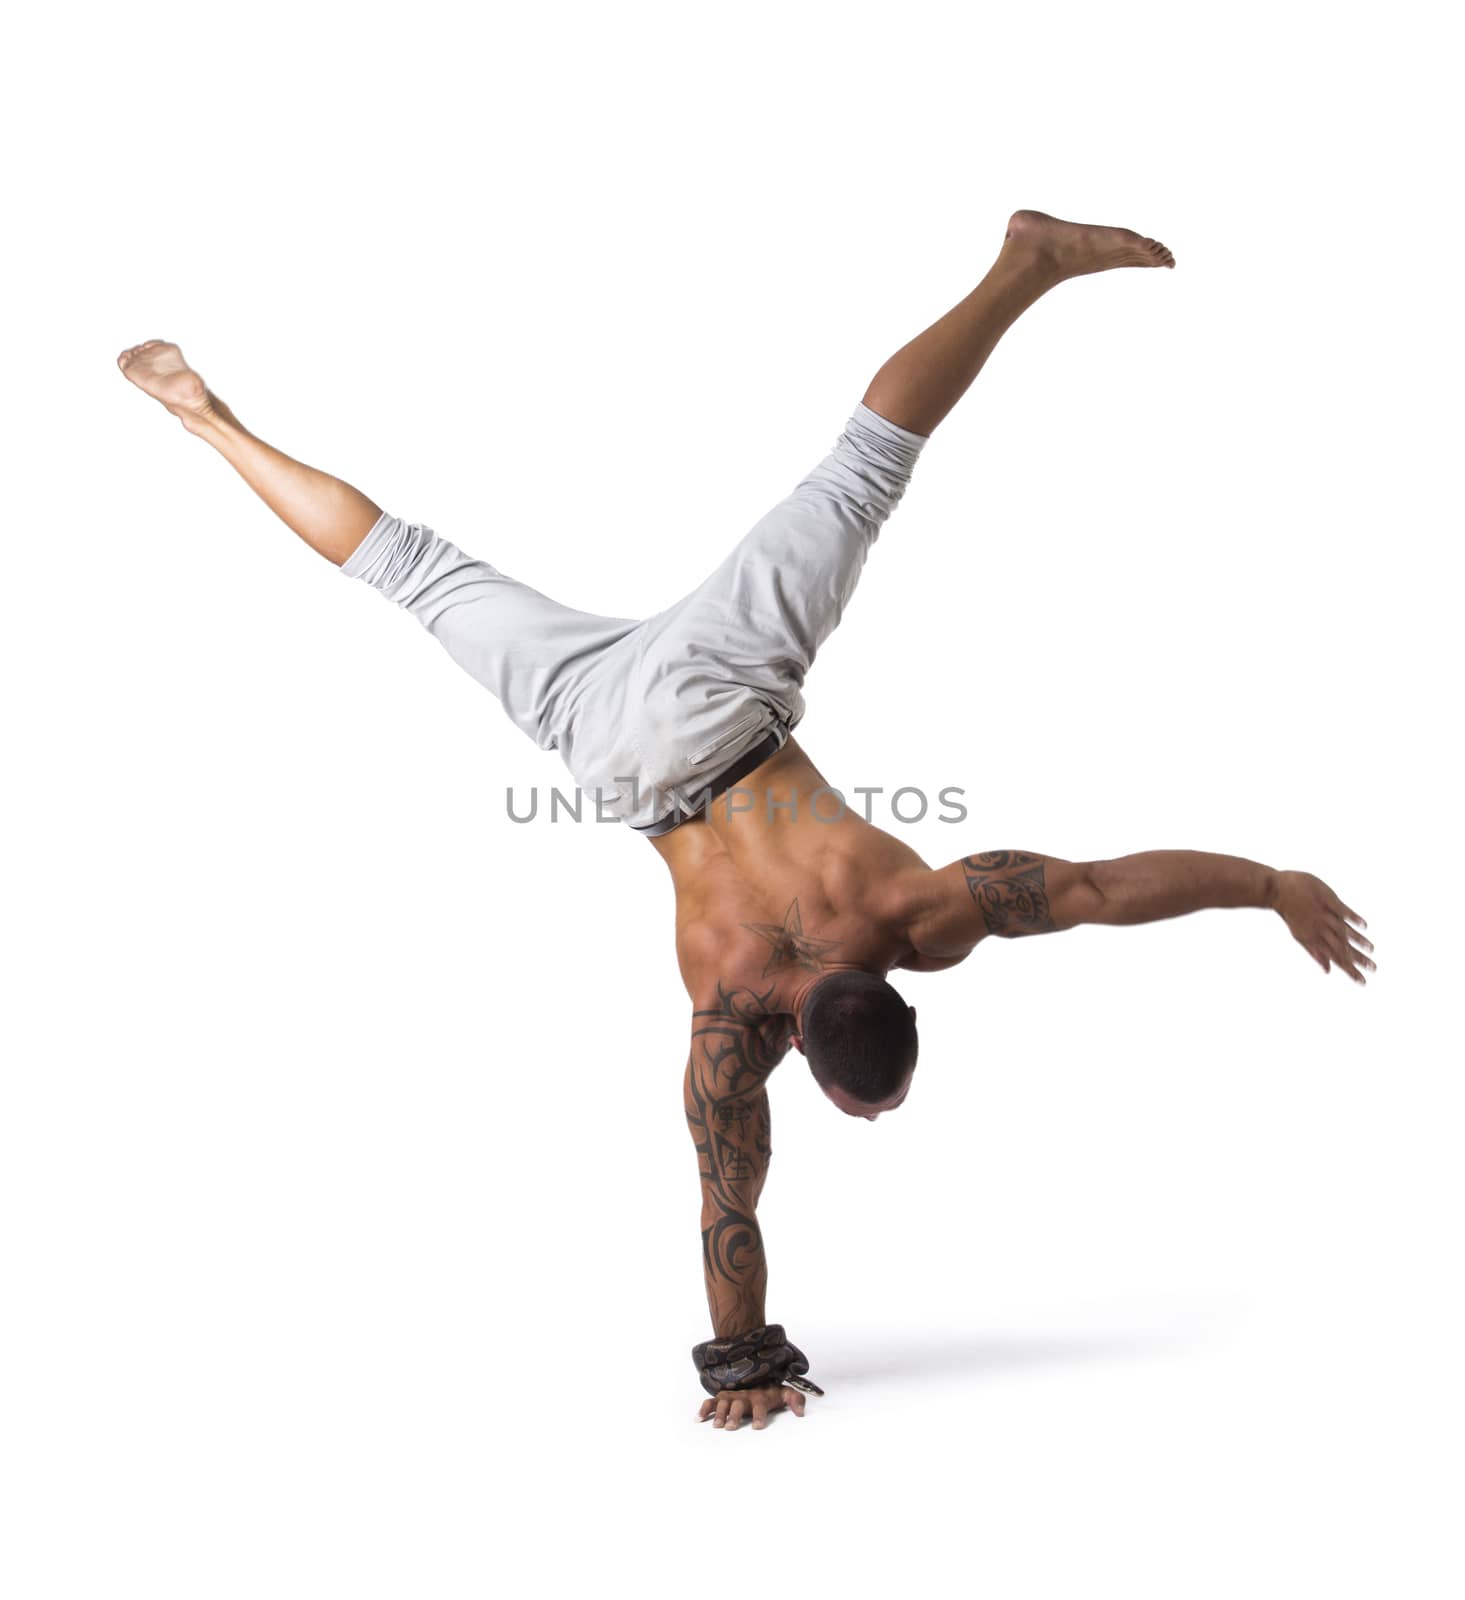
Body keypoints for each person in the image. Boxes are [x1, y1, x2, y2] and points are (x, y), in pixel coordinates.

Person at [117, 208, 1372, 1433]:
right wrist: (740, 1363)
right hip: (610, 749)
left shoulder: (924, 913)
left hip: (728, 689)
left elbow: (1097, 888)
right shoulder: (728, 1009)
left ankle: (1025, 262)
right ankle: (209, 422)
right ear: (811, 1057)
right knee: (414, 571)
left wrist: (1271, 882)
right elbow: (729, 1198)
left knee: (863, 467)